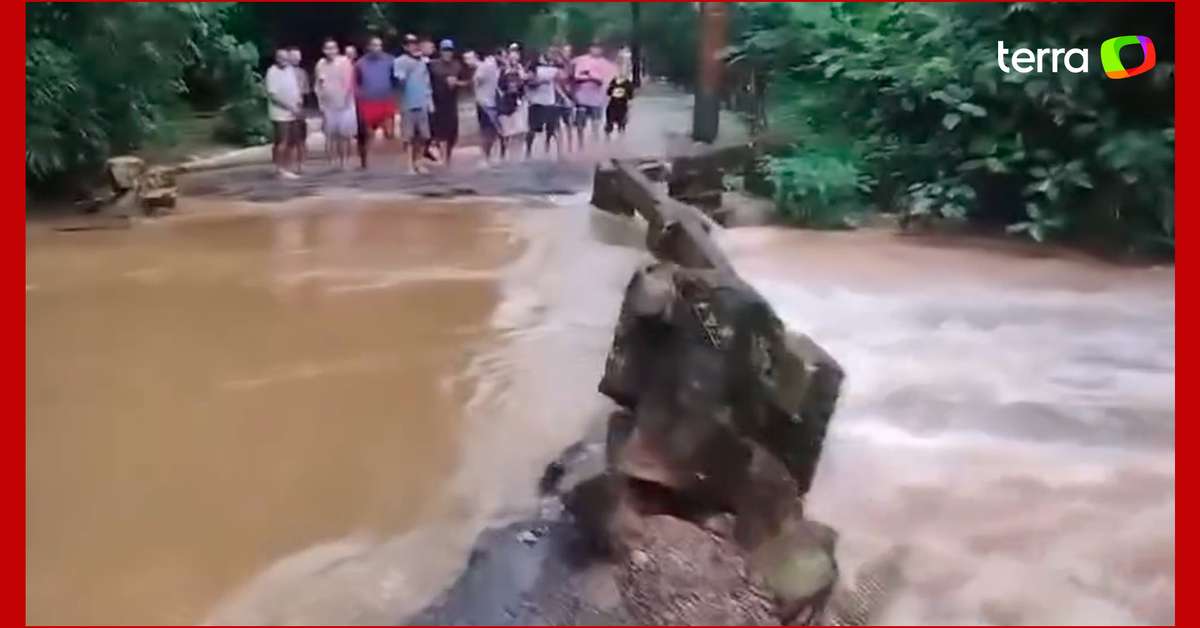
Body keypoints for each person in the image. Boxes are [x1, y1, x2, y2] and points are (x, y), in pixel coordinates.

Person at [354, 36, 397, 169]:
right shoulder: (361, 63)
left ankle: (390, 163)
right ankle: (365, 161)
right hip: (367, 102)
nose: (376, 48)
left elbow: (396, 78)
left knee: (389, 133)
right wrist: (359, 96)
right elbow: (356, 82)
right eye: (374, 45)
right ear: (368, 47)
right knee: (367, 134)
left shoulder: (390, 60)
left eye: (379, 45)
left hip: (386, 100)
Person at [393, 33, 434, 174]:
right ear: (405, 47)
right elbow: (399, 80)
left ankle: (419, 162)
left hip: (422, 102)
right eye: (409, 44)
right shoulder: (399, 61)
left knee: (424, 136)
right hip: (407, 104)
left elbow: (427, 83)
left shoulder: (423, 62)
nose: (413, 46)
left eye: (415, 44)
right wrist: (404, 74)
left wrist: (430, 102)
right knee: (408, 136)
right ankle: (409, 165)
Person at [315, 38, 357, 170]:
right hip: (328, 105)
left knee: (344, 135)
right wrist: (320, 103)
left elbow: (350, 83)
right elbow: (318, 85)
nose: (330, 51)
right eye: (327, 48)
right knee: (330, 135)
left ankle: (345, 161)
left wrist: (346, 100)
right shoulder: (320, 64)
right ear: (323, 50)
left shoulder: (344, 62)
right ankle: (332, 162)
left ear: (337, 50)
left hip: (345, 105)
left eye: (333, 48)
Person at [265, 47, 303, 179]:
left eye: (286, 57)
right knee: (282, 141)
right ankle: (280, 169)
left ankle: (288, 167)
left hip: (293, 112)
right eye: (281, 57)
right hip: (280, 114)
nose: (284, 60)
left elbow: (295, 88)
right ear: (276, 58)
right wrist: (290, 107)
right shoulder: (272, 72)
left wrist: (298, 103)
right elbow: (273, 96)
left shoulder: (290, 70)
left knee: (292, 141)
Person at [572, 41, 616, 149]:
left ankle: (594, 145)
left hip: (597, 99)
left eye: (598, 48)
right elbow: (577, 76)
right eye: (593, 47)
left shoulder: (605, 64)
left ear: (601, 50)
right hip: (582, 97)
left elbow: (604, 80)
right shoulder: (581, 60)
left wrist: (589, 75)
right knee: (580, 124)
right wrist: (592, 78)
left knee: (595, 123)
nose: (595, 50)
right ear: (589, 48)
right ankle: (580, 145)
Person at [428, 39, 465, 166]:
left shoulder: (457, 65)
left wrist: (457, 83)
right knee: (439, 132)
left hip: (452, 103)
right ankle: (443, 159)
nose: (447, 53)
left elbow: (468, 82)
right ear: (440, 51)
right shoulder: (432, 65)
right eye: (445, 50)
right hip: (436, 102)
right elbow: (426, 82)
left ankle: (447, 157)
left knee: (453, 133)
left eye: (449, 50)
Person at [466, 48, 502, 166]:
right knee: (491, 130)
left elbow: (475, 82)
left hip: (484, 103)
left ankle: (485, 157)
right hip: (491, 102)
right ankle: (490, 156)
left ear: (476, 57)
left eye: (469, 58)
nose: (467, 62)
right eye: (465, 59)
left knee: (485, 131)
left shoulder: (482, 68)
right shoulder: (491, 65)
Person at [525, 51, 563, 159]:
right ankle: (528, 151)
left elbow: (560, 80)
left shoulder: (553, 70)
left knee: (552, 129)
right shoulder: (533, 69)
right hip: (536, 102)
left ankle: (550, 149)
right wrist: (540, 81)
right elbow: (528, 82)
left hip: (549, 102)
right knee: (532, 129)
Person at [496, 43, 528, 160]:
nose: (515, 55)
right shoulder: (503, 69)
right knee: (507, 133)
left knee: (520, 131)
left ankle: (516, 156)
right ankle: (505, 156)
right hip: (506, 103)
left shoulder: (520, 68)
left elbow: (524, 82)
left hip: (518, 102)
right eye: (512, 52)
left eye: (517, 53)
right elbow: (499, 86)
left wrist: (522, 76)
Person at [289, 47, 311, 172]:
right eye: (294, 56)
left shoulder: (302, 73)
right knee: (288, 139)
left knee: (301, 139)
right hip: (286, 109)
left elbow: (306, 92)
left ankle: (301, 164)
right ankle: (289, 164)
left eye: (298, 56)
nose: (297, 58)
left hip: (300, 109)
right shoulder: (283, 72)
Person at [605, 73, 635, 139]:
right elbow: (608, 92)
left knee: (618, 122)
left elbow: (631, 96)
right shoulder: (615, 82)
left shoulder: (627, 83)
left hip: (619, 105)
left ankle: (618, 137)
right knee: (615, 122)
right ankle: (612, 136)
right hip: (615, 105)